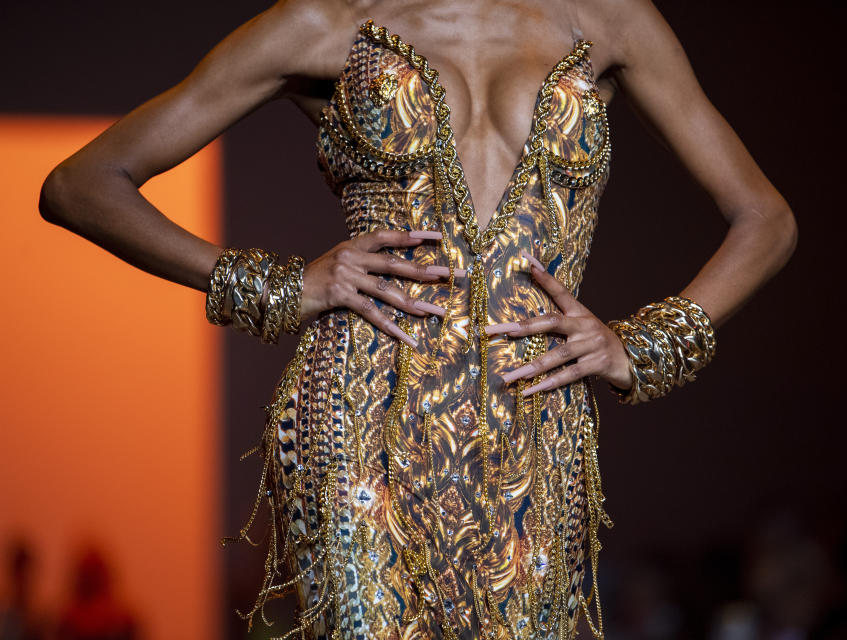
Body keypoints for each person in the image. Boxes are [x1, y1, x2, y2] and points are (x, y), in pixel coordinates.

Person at [38, 0, 797, 637]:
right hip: (363, 417)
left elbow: (765, 218)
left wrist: (638, 348)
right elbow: (81, 184)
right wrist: (280, 284)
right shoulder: (324, 19)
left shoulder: (607, 17)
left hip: (532, 423)